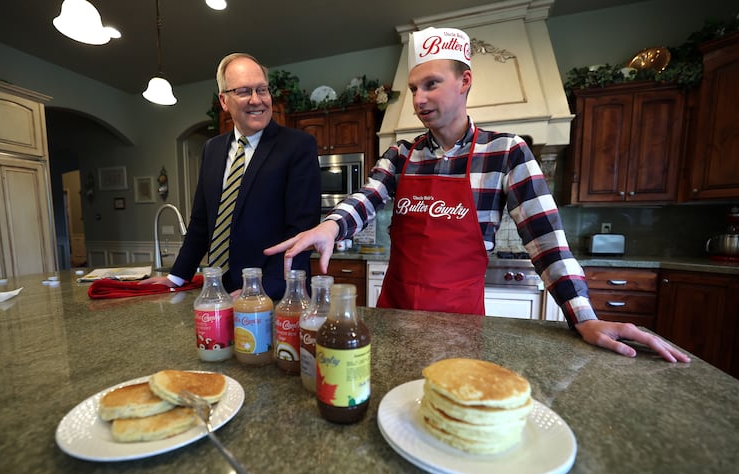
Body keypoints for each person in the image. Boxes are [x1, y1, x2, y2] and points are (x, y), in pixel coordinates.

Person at [265, 27, 689, 363]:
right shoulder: (401, 154)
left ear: (465, 81)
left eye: (431, 84)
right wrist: (331, 225)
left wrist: (585, 318)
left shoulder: (506, 152)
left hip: (460, 326)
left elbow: (548, 244)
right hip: (393, 317)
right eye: (413, 88)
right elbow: (368, 196)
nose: (418, 99)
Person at [143, 53, 320, 299]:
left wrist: (258, 291)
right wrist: (176, 277)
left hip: (277, 294)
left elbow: (301, 231)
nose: (257, 100)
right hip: (219, 291)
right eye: (245, 91)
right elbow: (202, 223)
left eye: (262, 90)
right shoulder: (212, 149)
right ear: (224, 101)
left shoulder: (298, 146)